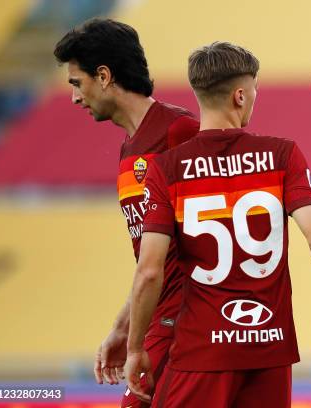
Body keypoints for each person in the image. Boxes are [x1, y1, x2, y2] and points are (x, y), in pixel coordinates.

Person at [123, 41, 311, 408]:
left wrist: (135, 346)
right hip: (269, 348)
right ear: (240, 95)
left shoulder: (167, 169)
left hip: (203, 351)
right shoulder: (282, 154)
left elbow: (149, 271)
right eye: (254, 90)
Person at [53, 18, 200, 408]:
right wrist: (123, 327)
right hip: (159, 322)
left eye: (76, 83)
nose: (74, 98)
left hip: (189, 326)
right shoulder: (128, 150)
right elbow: (151, 257)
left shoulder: (180, 132)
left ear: (103, 76)